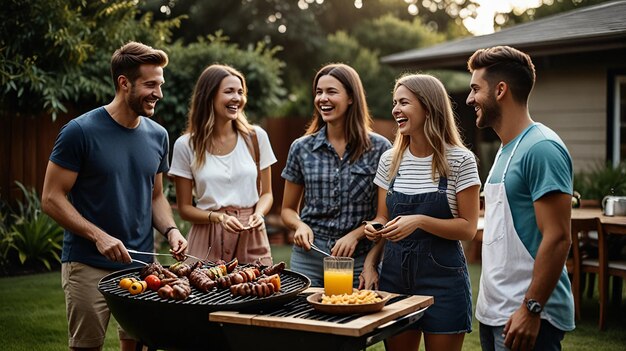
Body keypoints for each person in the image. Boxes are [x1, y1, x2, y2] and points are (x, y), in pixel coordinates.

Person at [41, 41, 188, 351]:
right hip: (87, 264)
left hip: (141, 267)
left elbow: (156, 196)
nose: (158, 93)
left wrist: (171, 230)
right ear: (124, 83)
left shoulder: (158, 135)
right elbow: (52, 197)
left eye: (159, 84)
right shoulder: (79, 131)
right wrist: (99, 236)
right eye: (150, 84)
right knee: (87, 347)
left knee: (139, 345)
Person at [359, 73, 480, 351]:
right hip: (394, 280)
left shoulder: (461, 160)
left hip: (444, 281)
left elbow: (468, 228)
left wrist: (420, 221)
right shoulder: (390, 159)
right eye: (394, 103)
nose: (395, 110)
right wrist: (372, 244)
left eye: (404, 103)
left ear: (428, 107)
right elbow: (383, 218)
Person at [466, 45, 575, 351]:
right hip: (495, 314)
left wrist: (531, 309)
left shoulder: (542, 148)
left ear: (500, 90)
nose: (469, 98)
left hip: (525, 317)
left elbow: (558, 237)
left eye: (476, 89)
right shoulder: (505, 148)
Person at [281, 63, 392, 287]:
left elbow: (383, 217)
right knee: (304, 318)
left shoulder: (380, 148)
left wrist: (355, 235)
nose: (323, 98)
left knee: (356, 317)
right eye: (319, 92)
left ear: (351, 97)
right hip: (308, 257)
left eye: (331, 92)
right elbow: (286, 210)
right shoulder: (301, 148)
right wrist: (300, 225)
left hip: (358, 259)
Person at [169, 64, 277, 265]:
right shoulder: (186, 145)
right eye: (229, 92)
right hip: (206, 234)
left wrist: (258, 214)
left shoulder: (256, 138)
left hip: (251, 233)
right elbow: (185, 209)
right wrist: (218, 218)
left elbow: (267, 194)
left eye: (240, 92)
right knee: (204, 294)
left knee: (258, 292)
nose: (237, 98)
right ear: (209, 96)